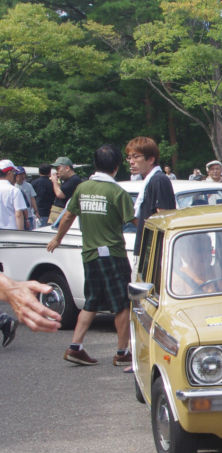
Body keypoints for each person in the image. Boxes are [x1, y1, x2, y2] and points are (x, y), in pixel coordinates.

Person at [46, 144, 136, 366]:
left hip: (90, 253)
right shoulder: (117, 193)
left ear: (95, 164)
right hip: (113, 254)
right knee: (122, 304)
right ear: (116, 167)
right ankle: (123, 352)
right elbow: (134, 221)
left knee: (92, 301)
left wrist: (57, 238)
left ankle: (76, 346)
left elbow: (67, 216)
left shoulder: (82, 188)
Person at [126, 136, 177, 257]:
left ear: (151, 159)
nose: (131, 161)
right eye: (129, 157)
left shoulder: (159, 180)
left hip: (154, 253)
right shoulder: (149, 181)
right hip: (145, 250)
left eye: (136, 156)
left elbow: (163, 218)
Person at [49, 156, 83, 225]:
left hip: (61, 212)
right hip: (58, 212)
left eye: (58, 168)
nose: (57, 171)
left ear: (67, 168)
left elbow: (60, 195)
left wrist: (54, 181)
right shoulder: (68, 180)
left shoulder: (74, 180)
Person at [0, 160, 28, 230]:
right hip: (10, 232)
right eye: (13, 172)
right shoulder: (14, 190)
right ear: (9, 173)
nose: (14, 175)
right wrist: (20, 233)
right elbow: (18, 214)